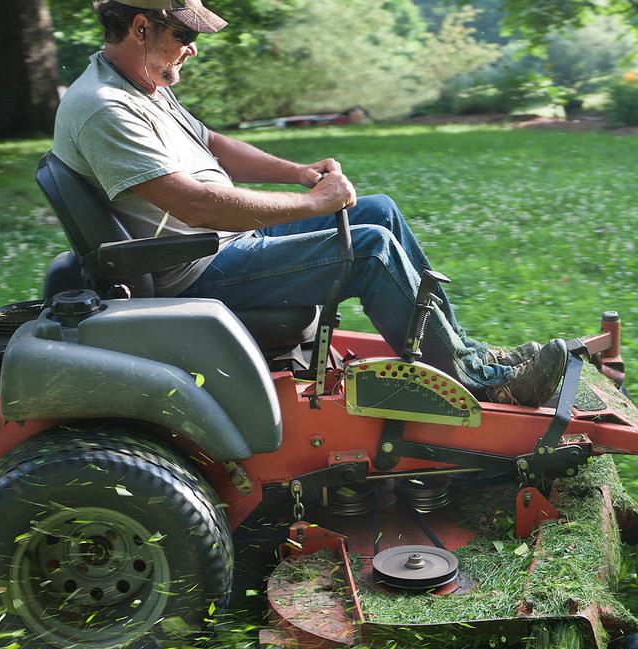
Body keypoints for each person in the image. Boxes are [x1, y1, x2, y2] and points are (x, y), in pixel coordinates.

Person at [52, 0, 565, 406]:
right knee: (370, 249)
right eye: (184, 36)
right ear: (141, 29)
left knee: (377, 209)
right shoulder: (105, 108)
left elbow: (212, 145)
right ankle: (480, 383)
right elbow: (195, 207)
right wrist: (314, 204)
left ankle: (466, 352)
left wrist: (298, 174)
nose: (193, 49)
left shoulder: (142, 85)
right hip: (195, 268)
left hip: (223, 242)